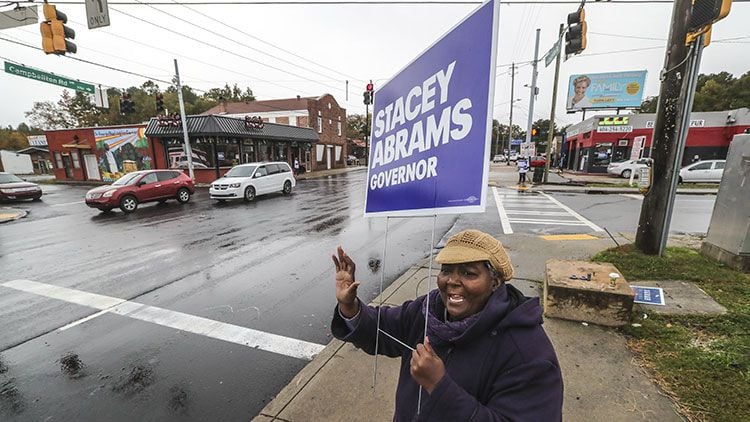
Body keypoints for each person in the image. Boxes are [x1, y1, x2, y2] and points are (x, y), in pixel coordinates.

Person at [331, 230, 563, 421]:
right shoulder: (427, 311)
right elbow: (382, 330)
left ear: (495, 282)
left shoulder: (528, 353)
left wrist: (440, 386)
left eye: (468, 273)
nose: (452, 281)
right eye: (446, 270)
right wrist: (350, 308)